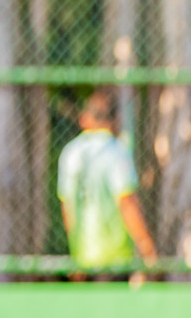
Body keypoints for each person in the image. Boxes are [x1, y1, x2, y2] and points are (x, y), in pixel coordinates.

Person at [57, 89, 157, 275]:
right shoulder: (115, 151)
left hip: (83, 257)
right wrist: (146, 247)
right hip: (115, 260)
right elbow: (127, 202)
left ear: (85, 118)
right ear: (115, 120)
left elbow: (68, 208)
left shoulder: (70, 153)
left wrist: (75, 251)